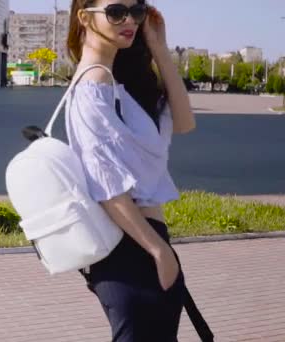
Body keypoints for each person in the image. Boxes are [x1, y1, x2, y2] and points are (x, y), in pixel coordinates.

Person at [63, 0, 202, 341]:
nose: (129, 20)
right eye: (115, 12)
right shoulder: (91, 85)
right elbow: (107, 187)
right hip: (129, 248)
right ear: (84, 17)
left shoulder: (118, 82)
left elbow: (184, 122)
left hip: (147, 241)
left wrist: (158, 48)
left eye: (136, 11)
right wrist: (159, 251)